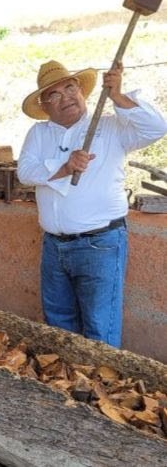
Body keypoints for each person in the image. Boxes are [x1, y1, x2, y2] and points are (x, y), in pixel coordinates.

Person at [17, 60, 167, 348]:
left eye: (70, 87)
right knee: (59, 326)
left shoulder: (111, 127)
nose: (67, 96)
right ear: (44, 104)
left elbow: (157, 128)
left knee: (101, 330)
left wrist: (119, 97)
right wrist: (64, 166)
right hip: (54, 245)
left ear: (82, 92)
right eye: (56, 94)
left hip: (100, 244)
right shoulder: (39, 133)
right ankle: (65, 387)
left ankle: (101, 392)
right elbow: (25, 172)